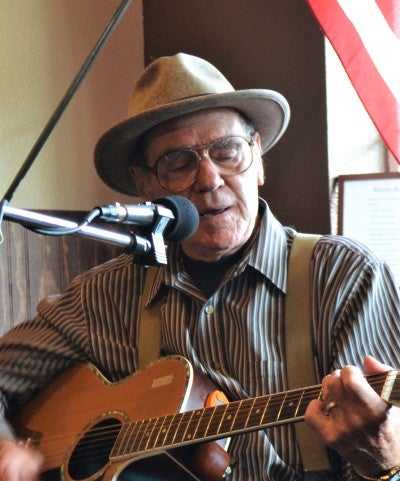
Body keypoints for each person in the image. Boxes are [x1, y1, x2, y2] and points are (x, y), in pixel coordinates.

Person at [0, 53, 400, 481]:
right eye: (178, 162)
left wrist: (384, 461)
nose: (209, 178)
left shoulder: (346, 277)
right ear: (147, 185)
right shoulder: (104, 296)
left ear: (258, 158)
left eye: (226, 151)